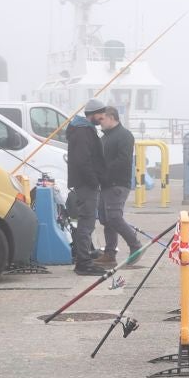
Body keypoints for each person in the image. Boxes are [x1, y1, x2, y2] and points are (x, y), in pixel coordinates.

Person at [65, 99, 112, 276]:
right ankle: (83, 263)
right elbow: (82, 161)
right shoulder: (83, 131)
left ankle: (83, 258)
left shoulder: (84, 129)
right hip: (86, 184)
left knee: (86, 222)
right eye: (101, 114)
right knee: (87, 223)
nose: (102, 118)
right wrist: (94, 181)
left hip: (85, 183)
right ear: (93, 114)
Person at [98, 105, 144, 266]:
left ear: (111, 117)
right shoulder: (104, 138)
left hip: (117, 183)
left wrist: (104, 171)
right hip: (104, 184)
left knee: (114, 217)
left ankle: (135, 245)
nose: (99, 122)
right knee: (105, 219)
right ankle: (110, 254)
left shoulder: (124, 135)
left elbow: (124, 160)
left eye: (102, 119)